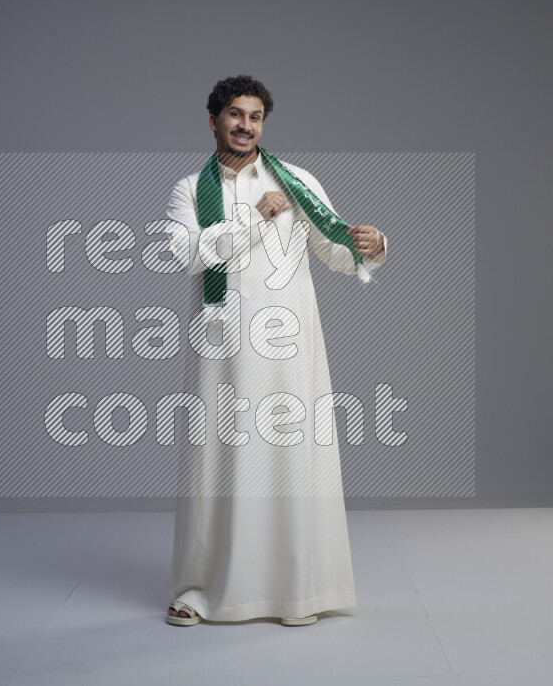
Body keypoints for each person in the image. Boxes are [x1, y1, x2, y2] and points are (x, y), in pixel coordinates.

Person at [163, 75, 388, 626]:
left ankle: (296, 593)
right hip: (221, 347)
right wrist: (252, 216)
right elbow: (186, 255)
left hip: (288, 345)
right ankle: (200, 590)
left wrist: (375, 246)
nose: (245, 126)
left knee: (290, 460)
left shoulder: (296, 180)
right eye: (235, 115)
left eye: (255, 116)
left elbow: (335, 250)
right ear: (213, 119)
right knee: (216, 460)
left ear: (264, 123)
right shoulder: (191, 189)